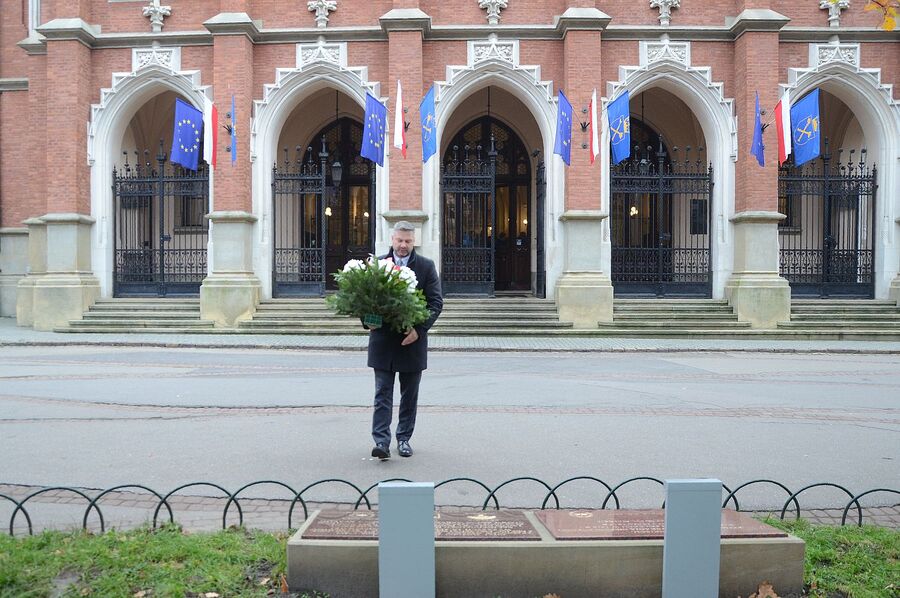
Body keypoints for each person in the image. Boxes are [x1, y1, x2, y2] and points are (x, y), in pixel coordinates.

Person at [367, 221, 443, 459]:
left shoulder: (426, 267)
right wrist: (368, 321)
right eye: (399, 240)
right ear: (392, 239)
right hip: (383, 342)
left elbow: (435, 303)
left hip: (412, 343)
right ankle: (381, 442)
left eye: (408, 241)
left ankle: (404, 439)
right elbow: (366, 299)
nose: (403, 245)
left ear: (414, 241)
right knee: (382, 394)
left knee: (409, 396)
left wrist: (418, 330)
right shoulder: (378, 265)